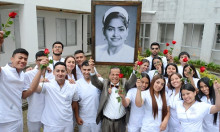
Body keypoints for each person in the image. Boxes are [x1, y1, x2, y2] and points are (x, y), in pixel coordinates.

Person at [89, 58, 137, 132]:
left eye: (117, 74)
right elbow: (95, 82)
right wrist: (92, 69)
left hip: (121, 122)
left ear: (120, 75)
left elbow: (132, 82)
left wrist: (135, 70)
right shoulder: (105, 84)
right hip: (106, 122)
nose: (115, 77)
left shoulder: (124, 84)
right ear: (109, 75)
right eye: (113, 74)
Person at [30, 62, 79, 132]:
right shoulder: (47, 85)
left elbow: (75, 103)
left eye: (62, 71)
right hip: (51, 124)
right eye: (57, 71)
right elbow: (33, 88)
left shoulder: (73, 85)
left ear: (66, 72)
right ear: (53, 72)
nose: (60, 73)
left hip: (67, 124)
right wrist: (40, 71)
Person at [0, 48, 37, 131]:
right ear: (12, 59)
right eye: (20, 58)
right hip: (5, 120)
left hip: (18, 117)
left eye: (25, 59)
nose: (23, 60)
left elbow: (24, 95)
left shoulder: (22, 74)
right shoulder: (3, 71)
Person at [22, 51, 54, 132]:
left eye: (44, 60)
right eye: (39, 60)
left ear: (48, 61)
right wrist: (40, 80)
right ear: (36, 62)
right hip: (34, 114)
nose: (42, 62)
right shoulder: (28, 74)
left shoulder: (53, 74)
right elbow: (26, 92)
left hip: (49, 114)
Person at [75, 60, 101, 132]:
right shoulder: (77, 84)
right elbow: (75, 103)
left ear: (93, 69)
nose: (86, 72)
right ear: (81, 69)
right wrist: (77, 117)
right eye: (84, 70)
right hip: (83, 119)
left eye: (89, 69)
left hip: (97, 119)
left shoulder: (100, 81)